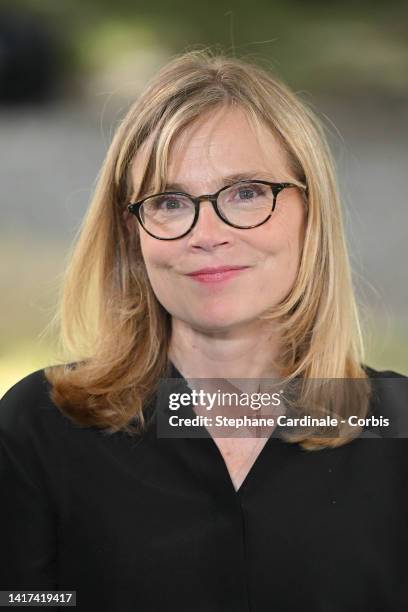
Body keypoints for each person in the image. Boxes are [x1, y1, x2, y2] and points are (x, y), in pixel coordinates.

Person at [0, 48, 407, 612]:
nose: (207, 233)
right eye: (169, 202)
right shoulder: (41, 430)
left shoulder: (398, 431)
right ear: (132, 237)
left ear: (311, 214)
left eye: (245, 193)